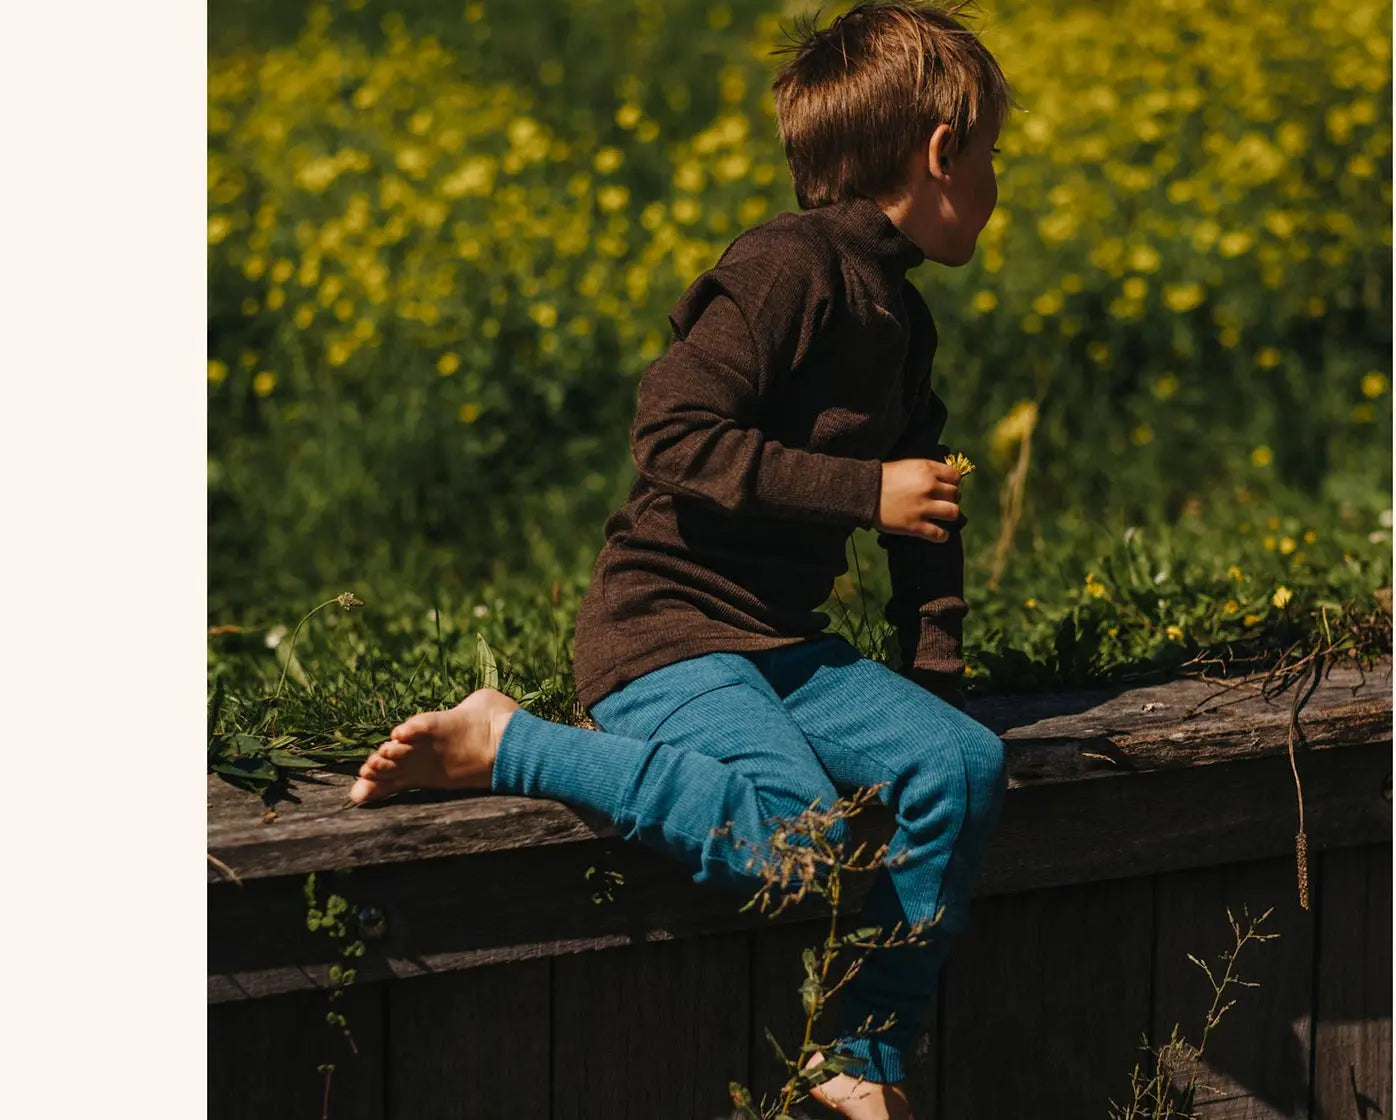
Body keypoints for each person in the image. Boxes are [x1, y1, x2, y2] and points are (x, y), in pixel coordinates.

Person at [347, 4, 1014, 1116]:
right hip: (664, 633)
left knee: (965, 765)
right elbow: (672, 435)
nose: (999, 178)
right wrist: (863, 490)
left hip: (785, 644)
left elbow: (926, 511)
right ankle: (507, 741)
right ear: (940, 152)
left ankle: (864, 1052)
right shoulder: (780, 270)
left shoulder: (902, 317)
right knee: (797, 840)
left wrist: (933, 688)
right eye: (993, 153)